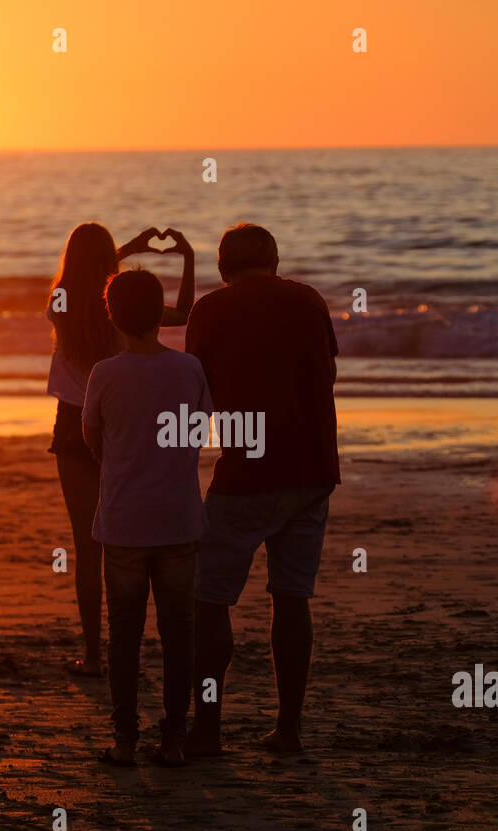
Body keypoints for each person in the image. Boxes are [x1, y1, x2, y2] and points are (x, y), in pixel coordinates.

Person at [184, 223, 340, 756]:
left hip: (247, 472)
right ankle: (289, 728)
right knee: (292, 598)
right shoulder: (310, 300)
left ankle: (207, 727)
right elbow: (328, 373)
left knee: (210, 600)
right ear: (274, 260)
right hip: (314, 469)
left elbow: (198, 392)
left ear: (224, 268)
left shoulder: (209, 311)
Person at [45, 223, 194, 676]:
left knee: (87, 548)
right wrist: (187, 257)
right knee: (127, 542)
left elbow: (87, 277)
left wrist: (120, 250)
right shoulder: (117, 310)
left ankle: (93, 656)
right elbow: (182, 314)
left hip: (73, 428)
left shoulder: (60, 305)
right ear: (110, 263)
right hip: (120, 424)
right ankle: (133, 646)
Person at [82, 269, 212, 768]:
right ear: (162, 315)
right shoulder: (189, 369)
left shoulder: (105, 373)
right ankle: (174, 739)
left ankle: (123, 739)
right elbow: (197, 434)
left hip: (123, 522)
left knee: (125, 634)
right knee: (179, 632)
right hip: (178, 518)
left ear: (112, 314)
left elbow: (93, 438)